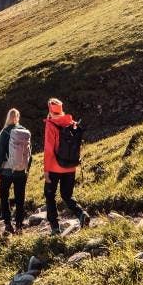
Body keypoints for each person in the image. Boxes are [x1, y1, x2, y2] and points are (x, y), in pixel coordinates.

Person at [43, 97, 91, 235]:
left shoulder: (51, 124)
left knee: (50, 195)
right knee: (67, 195)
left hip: (54, 167)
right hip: (70, 166)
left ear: (50, 110)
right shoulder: (71, 122)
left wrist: (46, 170)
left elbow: (48, 149)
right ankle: (81, 214)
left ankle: (55, 227)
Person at [0, 108, 31, 236]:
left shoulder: (5, 132)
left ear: (8, 117)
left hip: (7, 171)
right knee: (20, 198)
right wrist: (27, 169)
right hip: (21, 170)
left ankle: (8, 224)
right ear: (18, 117)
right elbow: (29, 153)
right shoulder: (24, 131)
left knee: (4, 195)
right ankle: (19, 226)